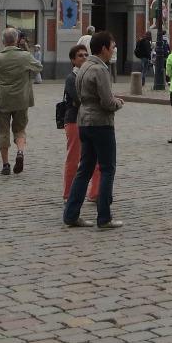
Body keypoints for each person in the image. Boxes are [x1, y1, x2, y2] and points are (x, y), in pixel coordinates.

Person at [63, 31, 124, 229]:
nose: (113, 50)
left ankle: (71, 214)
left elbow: (80, 97)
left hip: (84, 122)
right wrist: (118, 103)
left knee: (84, 169)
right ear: (104, 48)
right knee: (107, 168)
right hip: (101, 123)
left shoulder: (83, 67)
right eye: (112, 47)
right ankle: (104, 217)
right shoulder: (100, 69)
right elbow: (107, 102)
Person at [0, 27, 41, 175]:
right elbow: (38, 67)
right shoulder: (25, 56)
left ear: (3, 41)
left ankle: (6, 165)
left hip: (3, 100)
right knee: (20, 129)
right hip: (22, 99)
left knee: (3, 131)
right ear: (16, 40)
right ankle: (20, 152)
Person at [60, 45, 100, 204]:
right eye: (80, 56)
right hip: (74, 121)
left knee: (97, 158)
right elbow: (80, 99)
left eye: (86, 55)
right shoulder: (71, 78)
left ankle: (96, 192)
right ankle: (68, 194)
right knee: (74, 158)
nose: (84, 58)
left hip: (92, 120)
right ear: (73, 60)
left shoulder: (92, 75)